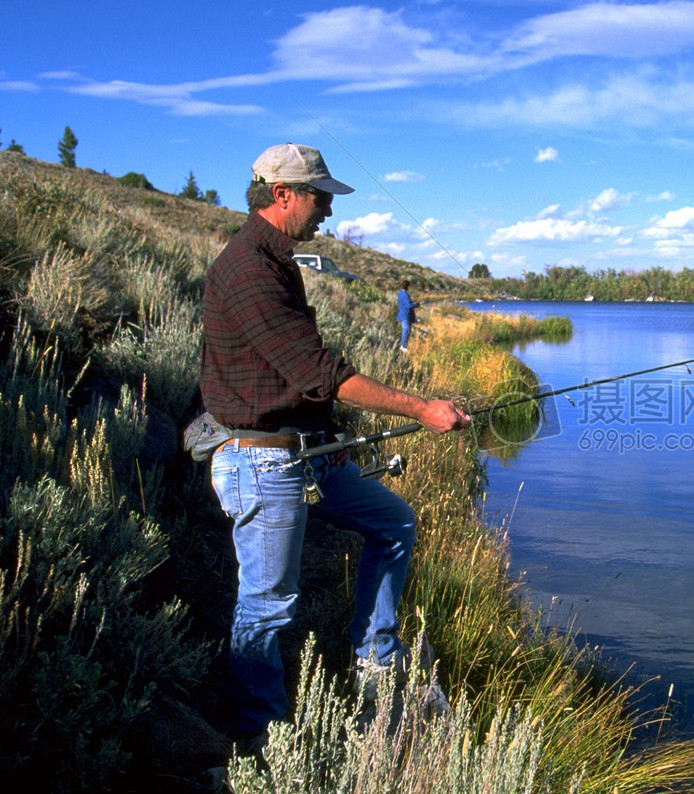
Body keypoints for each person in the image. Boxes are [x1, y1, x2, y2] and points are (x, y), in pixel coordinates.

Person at [198, 143, 470, 748]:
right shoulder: (246, 269)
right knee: (267, 607)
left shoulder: (278, 262)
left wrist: (331, 435)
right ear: (283, 195)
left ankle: (375, 660)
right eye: (320, 197)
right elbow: (318, 370)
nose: (326, 210)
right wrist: (423, 408)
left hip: (302, 452)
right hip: (260, 462)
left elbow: (294, 377)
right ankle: (259, 743)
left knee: (393, 524)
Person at [395, 280, 419, 351]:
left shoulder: (400, 293)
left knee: (406, 331)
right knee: (406, 331)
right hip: (405, 315)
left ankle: (403, 346)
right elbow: (408, 305)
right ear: (407, 286)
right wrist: (416, 304)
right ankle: (403, 347)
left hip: (404, 315)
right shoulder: (404, 294)